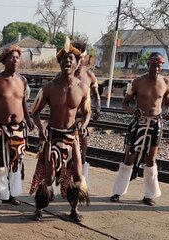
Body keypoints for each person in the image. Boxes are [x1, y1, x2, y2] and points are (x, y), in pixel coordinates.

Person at [29, 37, 91, 222]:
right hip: (53, 136)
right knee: (48, 177)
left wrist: (83, 124)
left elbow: (86, 113)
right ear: (59, 63)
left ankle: (74, 209)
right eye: (64, 59)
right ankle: (39, 208)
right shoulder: (49, 88)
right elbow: (35, 113)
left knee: (78, 174)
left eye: (71, 59)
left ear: (77, 63)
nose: (67, 62)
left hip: (72, 137)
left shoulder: (83, 89)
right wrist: (41, 128)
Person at [109, 52, 169, 206]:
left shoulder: (166, 82)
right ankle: (118, 191)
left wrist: (168, 111)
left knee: (151, 159)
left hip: (156, 124)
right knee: (130, 155)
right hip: (139, 122)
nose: (156, 69)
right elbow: (125, 103)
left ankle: (149, 195)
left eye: (158, 66)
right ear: (148, 65)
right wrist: (134, 111)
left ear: (161, 66)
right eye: (153, 65)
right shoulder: (137, 82)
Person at [0, 45, 34, 205]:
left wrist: (29, 118)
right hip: (0, 129)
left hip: (19, 129)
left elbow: (23, 101)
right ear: (4, 60)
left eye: (17, 57)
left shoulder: (22, 80)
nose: (15, 60)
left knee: (16, 162)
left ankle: (12, 194)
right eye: (11, 57)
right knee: (0, 162)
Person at [72, 40, 101, 189]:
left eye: (79, 57)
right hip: (68, 119)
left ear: (84, 58)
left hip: (83, 118)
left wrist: (98, 107)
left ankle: (80, 183)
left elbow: (96, 95)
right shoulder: (66, 74)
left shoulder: (89, 75)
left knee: (82, 151)